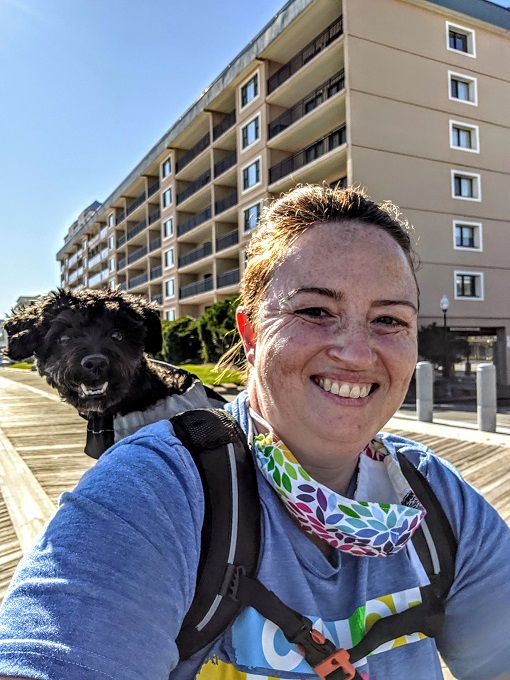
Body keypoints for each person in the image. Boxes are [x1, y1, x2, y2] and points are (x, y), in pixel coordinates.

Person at [0, 184, 509, 680]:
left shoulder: (438, 500)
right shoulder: (152, 494)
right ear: (250, 334)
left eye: (389, 320)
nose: (356, 353)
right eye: (315, 311)